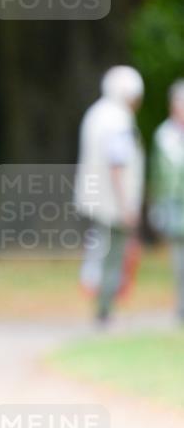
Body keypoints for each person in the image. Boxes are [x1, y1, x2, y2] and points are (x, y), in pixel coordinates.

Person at [74, 65, 145, 324]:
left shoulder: (96, 113)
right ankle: (104, 309)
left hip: (95, 198)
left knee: (99, 250)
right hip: (113, 202)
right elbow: (118, 164)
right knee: (112, 256)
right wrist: (127, 206)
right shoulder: (118, 120)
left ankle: (101, 306)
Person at [149, 80, 184, 322]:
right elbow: (157, 174)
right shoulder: (164, 136)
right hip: (173, 206)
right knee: (179, 260)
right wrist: (156, 207)